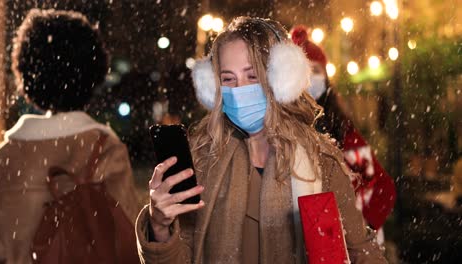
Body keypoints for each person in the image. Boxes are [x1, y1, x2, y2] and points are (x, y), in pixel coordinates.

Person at [135, 17, 387, 263]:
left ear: (280, 80)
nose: (239, 90)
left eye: (252, 76)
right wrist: (159, 226)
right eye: (228, 79)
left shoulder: (321, 162)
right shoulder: (201, 159)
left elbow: (361, 251)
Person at [0, 9, 140, 263]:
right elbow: (129, 240)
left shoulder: (3, 157)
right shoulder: (104, 149)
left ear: (27, 73)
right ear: (92, 73)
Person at [290, 25, 396, 243]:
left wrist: (358, 229)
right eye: (304, 71)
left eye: (316, 71)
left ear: (327, 77)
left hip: (334, 243)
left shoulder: (342, 130)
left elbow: (382, 188)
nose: (310, 79)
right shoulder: (278, 127)